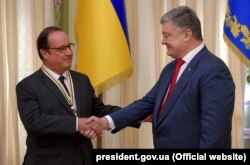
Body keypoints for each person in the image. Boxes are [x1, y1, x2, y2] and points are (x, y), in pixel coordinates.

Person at [92, 5, 235, 148]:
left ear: (187, 34)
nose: (163, 41)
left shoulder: (214, 70)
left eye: (167, 35)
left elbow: (215, 135)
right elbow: (147, 103)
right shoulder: (170, 69)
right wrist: (106, 122)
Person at [16, 26, 134, 165]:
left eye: (69, 46)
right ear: (44, 53)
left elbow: (100, 110)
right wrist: (78, 124)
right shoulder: (28, 86)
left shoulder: (81, 80)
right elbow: (35, 122)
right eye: (61, 49)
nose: (69, 52)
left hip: (84, 159)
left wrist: (136, 114)